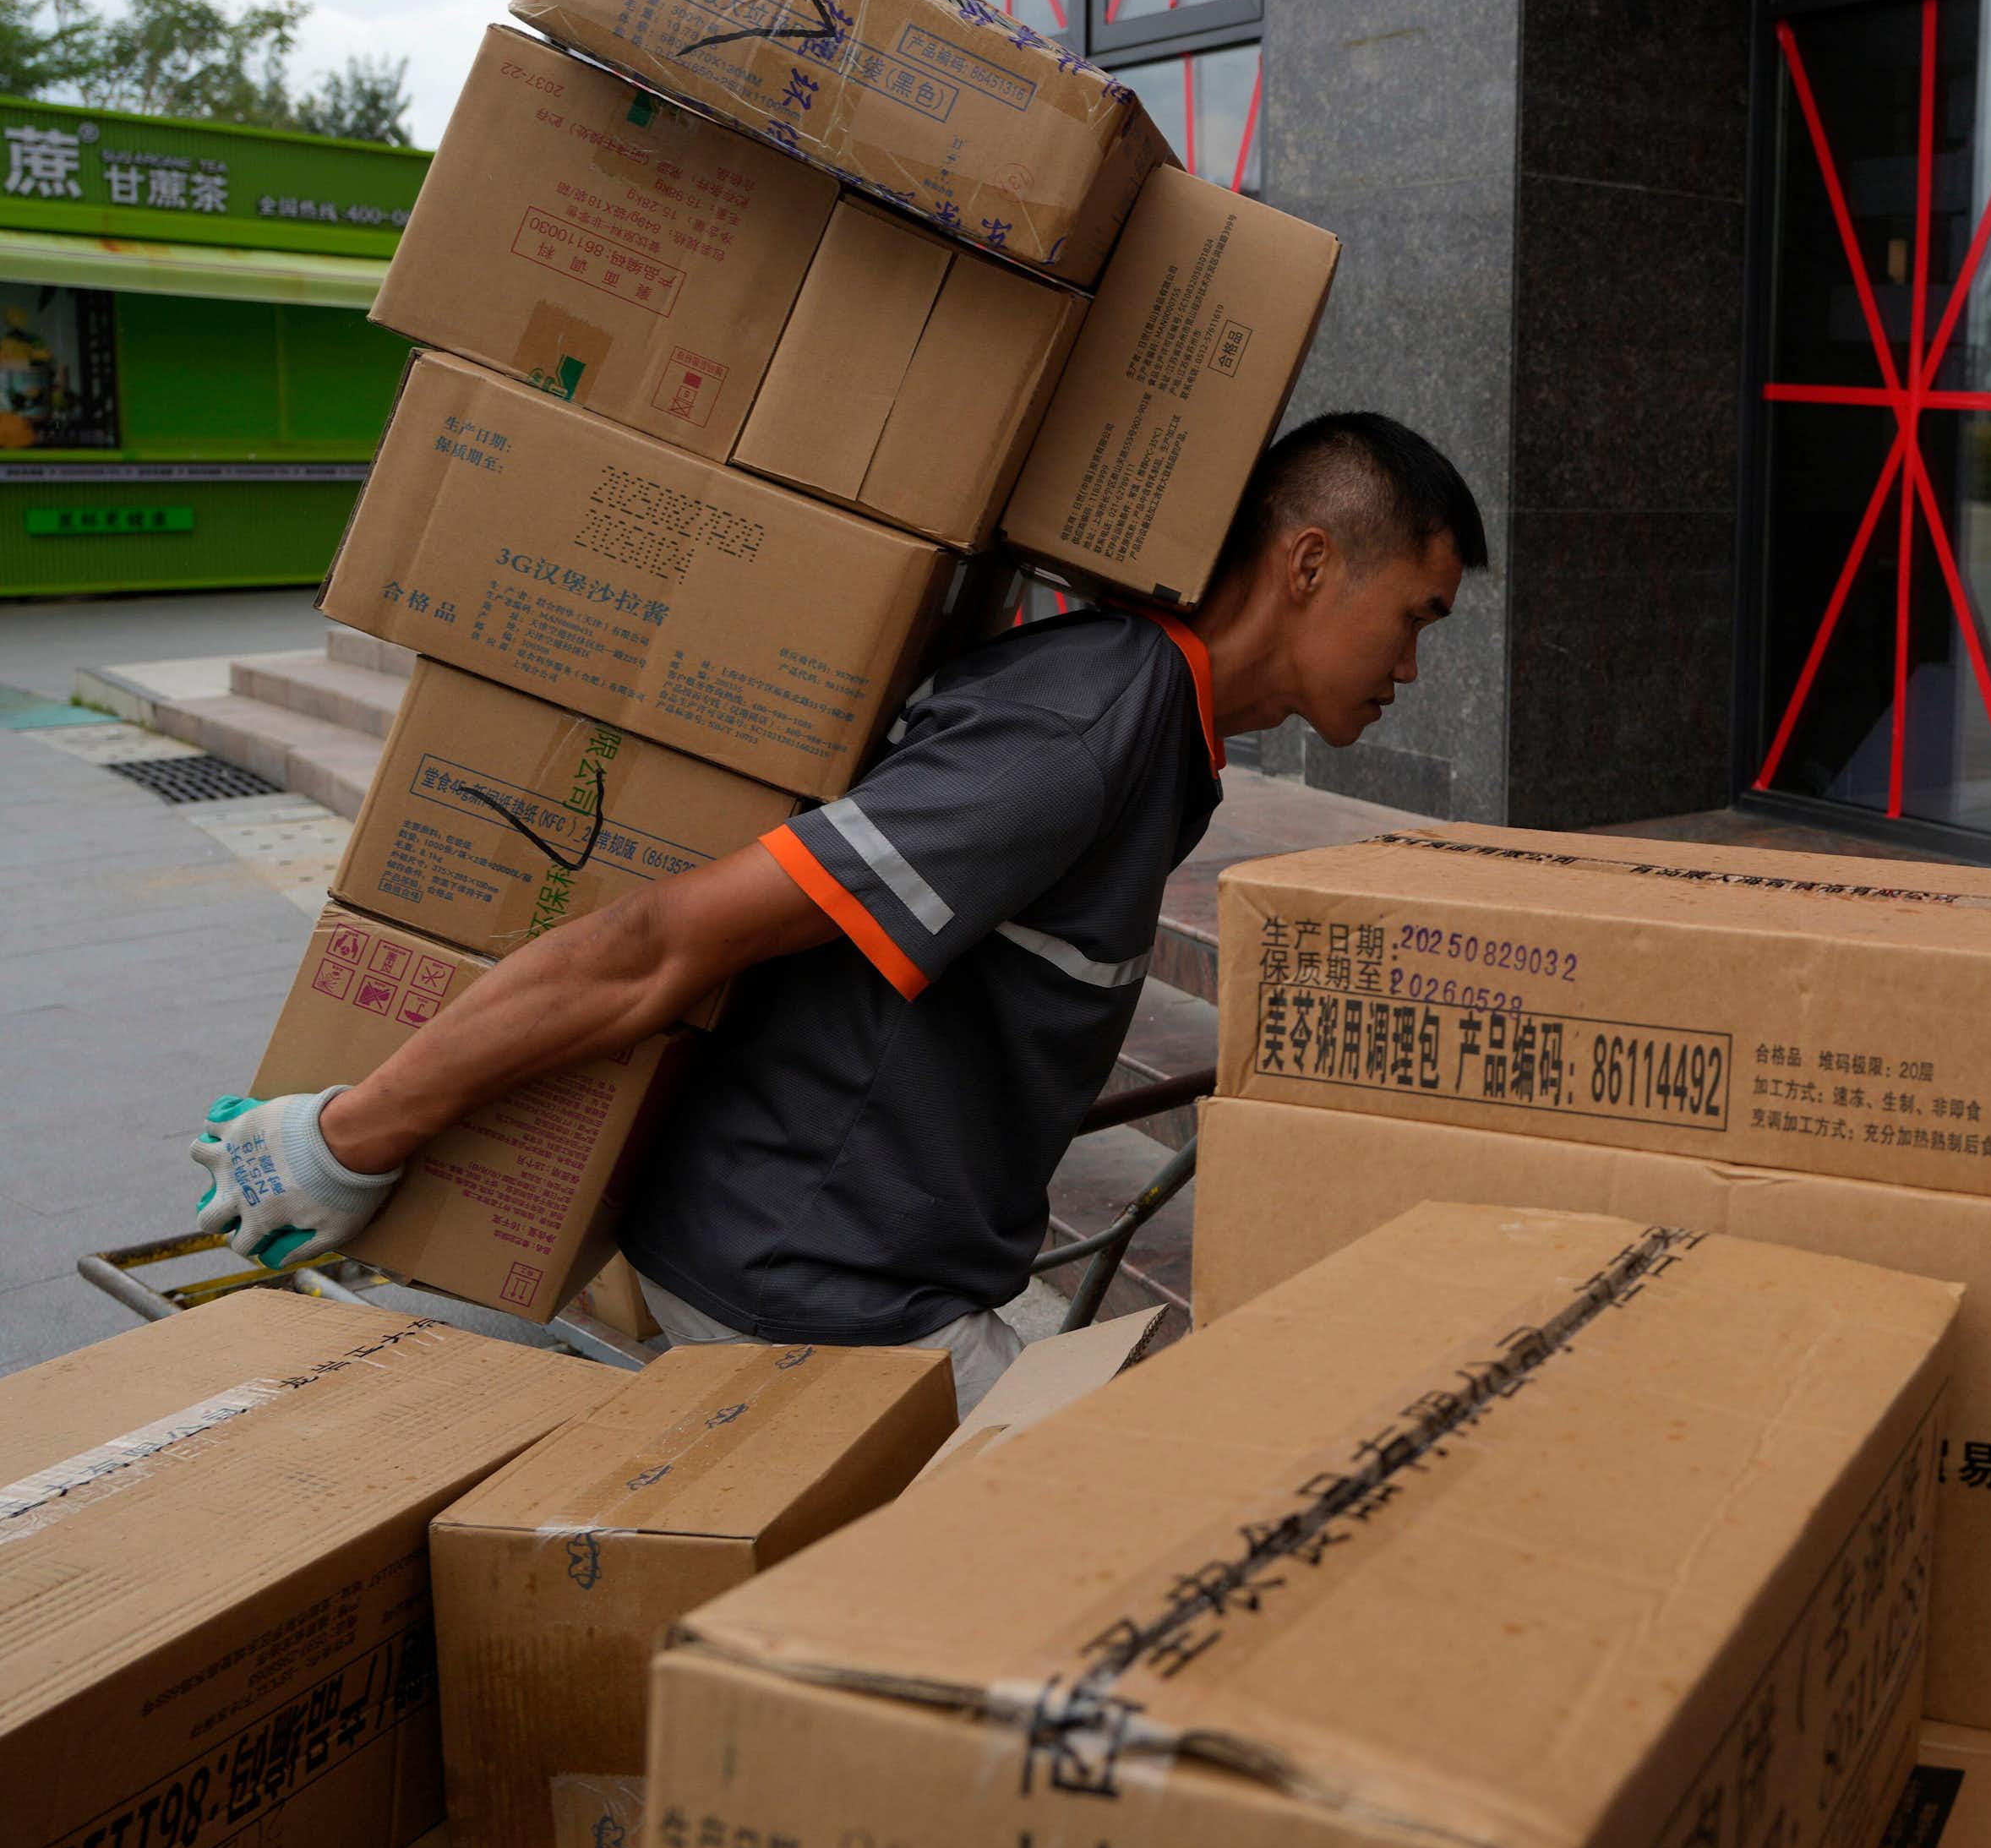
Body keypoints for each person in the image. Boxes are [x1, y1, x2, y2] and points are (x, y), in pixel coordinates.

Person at [190, 412, 1486, 1412]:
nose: (1414, 669)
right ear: (1312, 563)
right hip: (815, 1293)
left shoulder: (1163, 734)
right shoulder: (1078, 738)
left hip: (883, 1275)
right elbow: (661, 944)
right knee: (1153, 1533)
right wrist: (348, 1137)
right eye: (1416, 617)